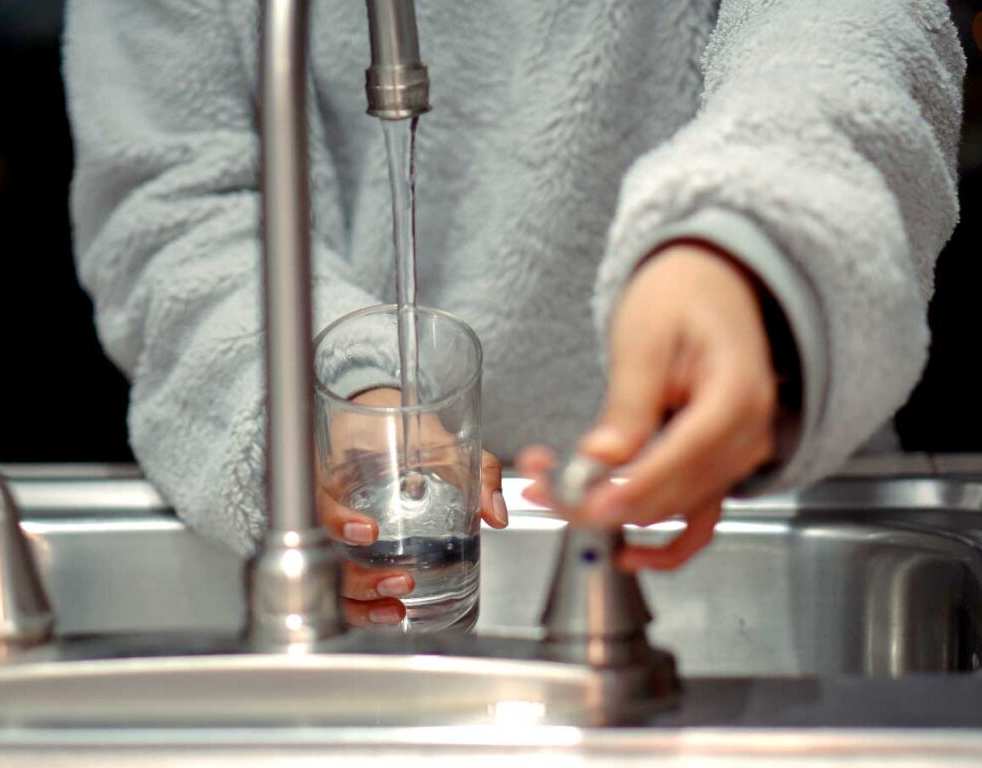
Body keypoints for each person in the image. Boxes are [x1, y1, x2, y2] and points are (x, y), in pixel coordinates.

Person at [63, 1, 965, 624]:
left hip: (751, 535)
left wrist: (749, 244)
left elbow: (850, 34)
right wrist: (320, 398)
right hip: (360, 577)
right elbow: (171, 200)